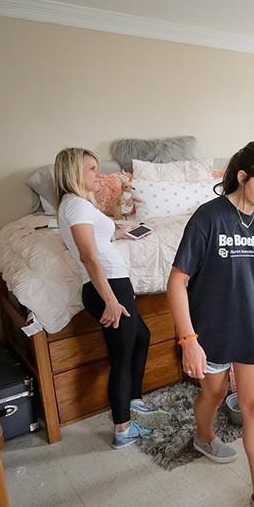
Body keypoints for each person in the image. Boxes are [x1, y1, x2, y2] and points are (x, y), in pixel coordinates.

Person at [167, 140, 254, 507]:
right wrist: (188, 340)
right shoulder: (209, 217)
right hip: (210, 328)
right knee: (215, 391)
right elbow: (176, 282)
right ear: (243, 177)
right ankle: (203, 437)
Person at [55, 148, 170, 449]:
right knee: (121, 357)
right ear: (73, 173)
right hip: (108, 288)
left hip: (112, 285)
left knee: (141, 337)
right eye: (92, 169)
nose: (99, 174)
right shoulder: (77, 206)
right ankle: (123, 429)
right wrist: (110, 300)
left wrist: (120, 233)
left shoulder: (77, 206)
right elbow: (88, 256)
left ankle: (133, 401)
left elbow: (95, 240)